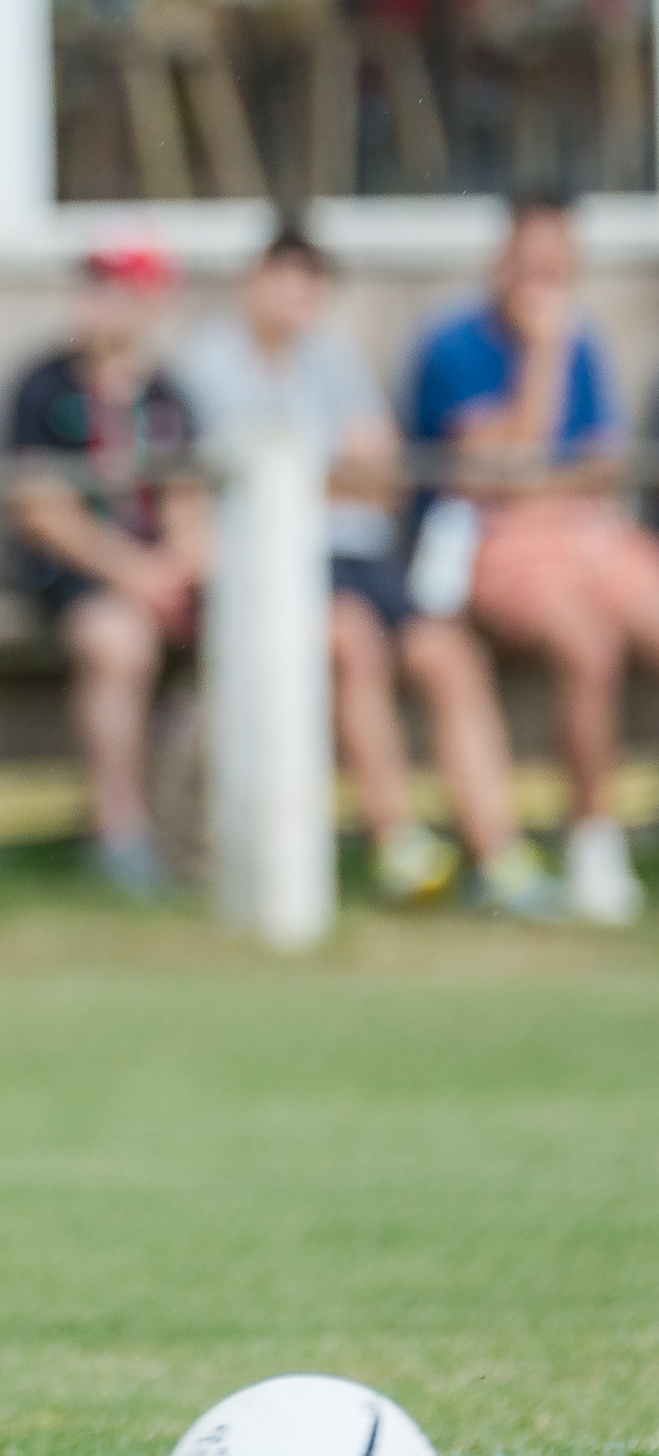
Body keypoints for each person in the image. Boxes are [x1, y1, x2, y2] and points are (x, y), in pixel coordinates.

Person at [179, 229, 556, 917]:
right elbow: (248, 496)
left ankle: (497, 853)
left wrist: (330, 476)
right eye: (285, 279)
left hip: (363, 554)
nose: (298, 297)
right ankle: (398, 842)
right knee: (351, 642)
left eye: (311, 283)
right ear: (252, 282)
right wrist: (336, 473)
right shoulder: (206, 368)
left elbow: (381, 480)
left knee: (448, 654)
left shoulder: (330, 356)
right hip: (275, 567)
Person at [409, 194, 657, 925]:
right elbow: (496, 472)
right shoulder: (453, 346)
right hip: (487, 549)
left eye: (559, 257)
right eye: (532, 256)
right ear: (504, 259)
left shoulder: (586, 342)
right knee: (588, 643)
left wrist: (539, 488)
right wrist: (542, 354)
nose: (546, 273)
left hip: (583, 532)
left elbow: (603, 470)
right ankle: (593, 845)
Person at [2, 234, 208, 895]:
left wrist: (176, 569)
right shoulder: (43, 384)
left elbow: (189, 500)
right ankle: (119, 834)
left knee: (257, 638)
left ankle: (208, 836)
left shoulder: (170, 395)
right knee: (118, 644)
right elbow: (38, 509)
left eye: (116, 289)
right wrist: (134, 573)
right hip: (78, 576)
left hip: (159, 580)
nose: (98, 303)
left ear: (152, 302)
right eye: (92, 286)